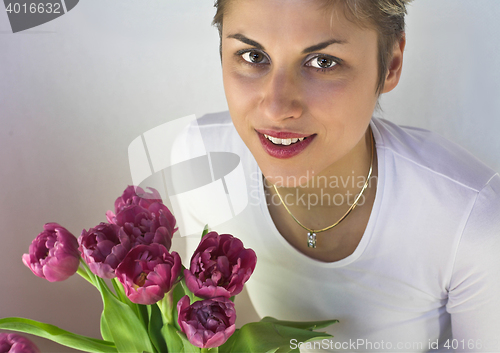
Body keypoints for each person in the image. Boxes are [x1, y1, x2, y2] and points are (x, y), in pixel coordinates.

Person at [172, 0, 500, 351]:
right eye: (253, 56)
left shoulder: (469, 220)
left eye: (323, 62)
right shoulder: (201, 159)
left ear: (390, 64)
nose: (277, 108)